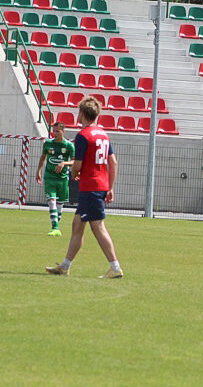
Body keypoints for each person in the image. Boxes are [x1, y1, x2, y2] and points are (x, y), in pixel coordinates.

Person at [45, 96, 123, 278]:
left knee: (98, 227)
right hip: (100, 185)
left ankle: (115, 267)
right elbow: (114, 163)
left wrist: (73, 174)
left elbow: (77, 165)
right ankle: (64, 266)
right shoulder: (104, 134)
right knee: (77, 224)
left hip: (90, 187)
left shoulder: (82, 136)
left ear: (81, 114)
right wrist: (110, 187)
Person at [36, 122, 75, 236]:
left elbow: (74, 162)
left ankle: (56, 227)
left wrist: (64, 163)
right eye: (54, 131)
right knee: (51, 201)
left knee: (60, 204)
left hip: (63, 179)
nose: (55, 133)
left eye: (57, 131)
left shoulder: (69, 146)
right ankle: (55, 227)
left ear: (63, 131)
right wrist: (38, 171)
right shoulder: (48, 143)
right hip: (49, 178)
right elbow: (43, 157)